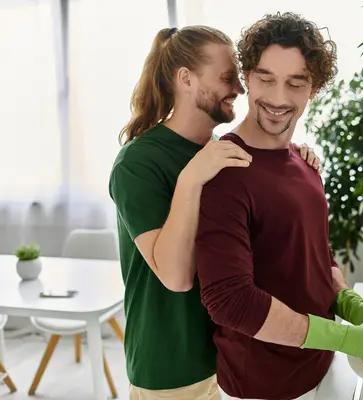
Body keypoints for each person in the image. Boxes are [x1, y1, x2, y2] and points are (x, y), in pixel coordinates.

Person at [195, 12, 363, 400]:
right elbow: (229, 302)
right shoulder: (225, 170)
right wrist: (345, 337)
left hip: (317, 368)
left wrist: (349, 301)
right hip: (260, 386)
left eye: (296, 83)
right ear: (247, 78)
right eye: (266, 79)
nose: (279, 98)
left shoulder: (304, 163)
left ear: (314, 88)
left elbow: (315, 255)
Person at [109, 25, 322, 400]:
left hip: (226, 357)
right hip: (172, 368)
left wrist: (293, 159)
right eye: (227, 78)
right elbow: (176, 276)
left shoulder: (221, 151)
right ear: (186, 79)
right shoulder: (138, 162)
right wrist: (191, 180)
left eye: (240, 79)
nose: (239, 90)